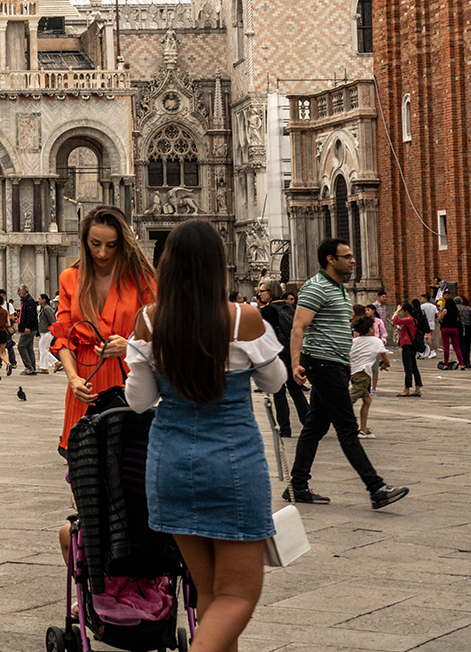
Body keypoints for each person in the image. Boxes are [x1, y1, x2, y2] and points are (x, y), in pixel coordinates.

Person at [125, 219, 285, 652]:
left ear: (168, 266)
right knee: (238, 596)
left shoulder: (148, 321)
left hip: (170, 463)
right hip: (232, 462)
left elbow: (138, 401)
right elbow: (274, 381)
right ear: (218, 265)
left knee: (212, 596)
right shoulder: (242, 319)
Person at [285, 239, 407, 508]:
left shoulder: (339, 289)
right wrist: (296, 364)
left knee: (315, 426)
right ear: (330, 259)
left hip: (336, 364)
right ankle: (376, 488)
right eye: (347, 256)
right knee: (347, 427)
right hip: (322, 363)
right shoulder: (315, 287)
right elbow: (298, 327)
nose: (353, 260)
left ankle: (297, 485)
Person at [50, 205, 157, 452]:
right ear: (84, 241)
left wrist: (129, 345)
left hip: (128, 377)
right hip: (84, 381)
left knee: (124, 466)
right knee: (82, 469)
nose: (102, 252)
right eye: (95, 243)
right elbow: (64, 336)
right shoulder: (70, 278)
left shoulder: (141, 278)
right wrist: (73, 378)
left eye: (112, 245)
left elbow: (161, 332)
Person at [255, 281, 308, 438]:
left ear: (271, 292)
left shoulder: (268, 310)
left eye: (262, 291)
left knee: (279, 392)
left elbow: (266, 335)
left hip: (277, 354)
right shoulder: (290, 307)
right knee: (295, 390)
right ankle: (309, 423)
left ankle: (285, 428)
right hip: (292, 352)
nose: (260, 294)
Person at [350, 315, 389, 437]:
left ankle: (363, 428)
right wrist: (384, 366)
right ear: (370, 329)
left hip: (354, 372)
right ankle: (329, 413)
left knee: (367, 400)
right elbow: (385, 360)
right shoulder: (376, 341)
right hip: (364, 374)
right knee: (347, 400)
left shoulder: (354, 341)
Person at [395, 302, 423, 396]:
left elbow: (395, 320)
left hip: (408, 345)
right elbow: (407, 330)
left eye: (402, 310)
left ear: (405, 311)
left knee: (408, 368)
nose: (401, 312)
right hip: (412, 345)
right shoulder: (413, 320)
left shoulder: (409, 319)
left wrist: (396, 311)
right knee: (414, 367)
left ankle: (407, 389)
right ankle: (418, 387)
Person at [16, 284, 40, 374]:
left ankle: (29, 367)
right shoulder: (25, 301)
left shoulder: (29, 301)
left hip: (29, 328)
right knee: (29, 348)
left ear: (24, 291)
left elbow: (31, 316)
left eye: (19, 291)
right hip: (28, 328)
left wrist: (27, 327)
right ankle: (32, 368)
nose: (17, 293)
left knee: (21, 346)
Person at [439, 295, 464, 369]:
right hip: (454, 328)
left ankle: (446, 364)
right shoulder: (455, 310)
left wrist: (441, 313)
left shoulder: (445, 310)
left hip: (445, 328)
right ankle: (461, 364)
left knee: (446, 347)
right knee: (457, 347)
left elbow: (439, 319)